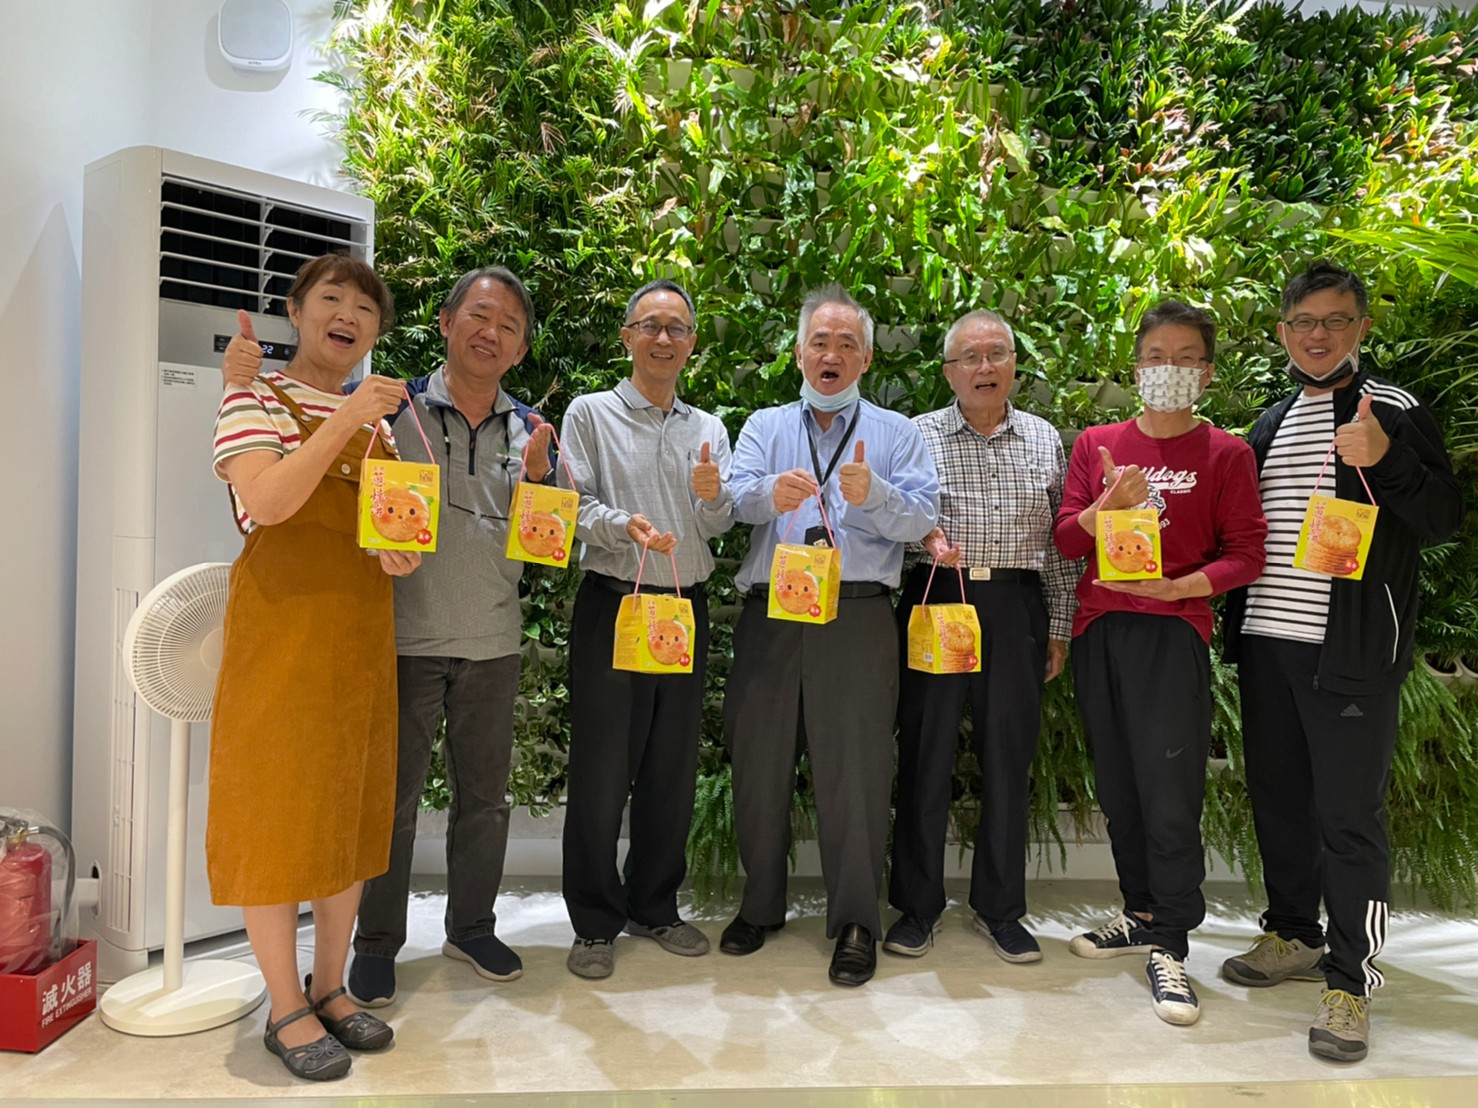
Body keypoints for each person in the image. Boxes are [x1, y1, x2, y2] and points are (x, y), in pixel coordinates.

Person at [224, 266, 554, 1009]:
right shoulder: (384, 408)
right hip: (397, 636)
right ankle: (375, 944)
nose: (490, 333)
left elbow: (541, 536)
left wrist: (540, 480)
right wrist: (238, 372)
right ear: (445, 323)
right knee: (387, 803)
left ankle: (471, 928)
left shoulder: (531, 430)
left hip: (493, 636)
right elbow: (300, 458)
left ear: (521, 348)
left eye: (508, 326)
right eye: (477, 316)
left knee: (486, 799)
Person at [1220, 261, 1463, 1062]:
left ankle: (1350, 982)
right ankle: (1293, 933)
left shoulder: (1392, 408)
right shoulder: (1271, 421)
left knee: (1349, 818)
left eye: (1334, 319)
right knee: (1280, 800)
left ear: (1361, 326)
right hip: (1268, 645)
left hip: (1352, 653)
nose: (1317, 334)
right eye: (1303, 322)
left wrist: (1386, 457)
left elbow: (1443, 518)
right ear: (1283, 332)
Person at [211, 254, 416, 1081]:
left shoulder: (382, 427)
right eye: (330, 298)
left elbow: (384, 524)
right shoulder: (251, 397)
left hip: (360, 637)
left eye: (364, 307)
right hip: (280, 636)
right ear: (296, 312)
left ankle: (329, 986)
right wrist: (346, 416)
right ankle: (283, 1005)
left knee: (349, 812)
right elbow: (266, 502)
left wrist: (397, 550)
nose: (348, 315)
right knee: (274, 814)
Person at [1053, 300, 1266, 1027]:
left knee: (1169, 793)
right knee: (1119, 786)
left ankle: (1172, 941)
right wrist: (1104, 507)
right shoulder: (1098, 445)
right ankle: (1140, 912)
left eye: (1184, 359)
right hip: (1100, 630)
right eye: (1155, 357)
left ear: (1206, 373)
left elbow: (1248, 553)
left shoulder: (1227, 455)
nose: (1167, 370)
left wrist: (1183, 587)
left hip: (1173, 635)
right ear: (1136, 366)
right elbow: (1067, 542)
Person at [722, 284, 940, 987]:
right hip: (773, 611)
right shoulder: (764, 425)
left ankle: (855, 921)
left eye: (848, 343)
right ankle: (760, 906)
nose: (832, 354)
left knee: (858, 772)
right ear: (799, 352)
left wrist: (873, 496)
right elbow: (732, 501)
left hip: (858, 613)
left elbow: (922, 518)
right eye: (820, 341)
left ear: (866, 359)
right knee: (759, 765)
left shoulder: (897, 433)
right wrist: (768, 496)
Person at [885, 308, 1078, 964]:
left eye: (997, 354)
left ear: (1015, 365)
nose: (985, 366)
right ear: (949, 372)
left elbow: (1061, 544)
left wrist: (1058, 626)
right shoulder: (915, 435)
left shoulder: (1043, 437)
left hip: (1017, 605)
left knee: (1007, 758)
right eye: (970, 356)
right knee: (926, 753)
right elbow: (889, 521)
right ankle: (917, 906)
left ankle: (1001, 909)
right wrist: (923, 538)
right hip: (938, 598)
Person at [557, 279, 735, 980]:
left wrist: (713, 499)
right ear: (627, 336)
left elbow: (718, 523)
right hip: (615, 605)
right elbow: (572, 504)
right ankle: (594, 923)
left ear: (691, 344)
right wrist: (620, 525)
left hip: (684, 608)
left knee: (672, 769)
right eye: (651, 325)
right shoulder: (590, 413)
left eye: (677, 328)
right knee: (602, 772)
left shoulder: (709, 428)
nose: (664, 338)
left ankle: (655, 905)